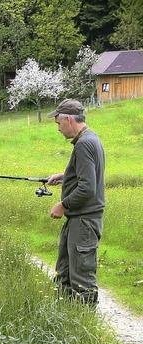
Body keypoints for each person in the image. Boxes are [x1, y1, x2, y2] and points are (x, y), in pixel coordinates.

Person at [46, 99, 105, 306]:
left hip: (84, 221)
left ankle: (86, 325)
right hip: (79, 220)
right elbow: (87, 174)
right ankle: (65, 315)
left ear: (69, 119)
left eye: (58, 123)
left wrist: (62, 205)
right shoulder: (90, 138)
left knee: (81, 278)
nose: (59, 129)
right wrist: (65, 176)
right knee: (65, 270)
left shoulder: (84, 144)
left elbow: (88, 188)